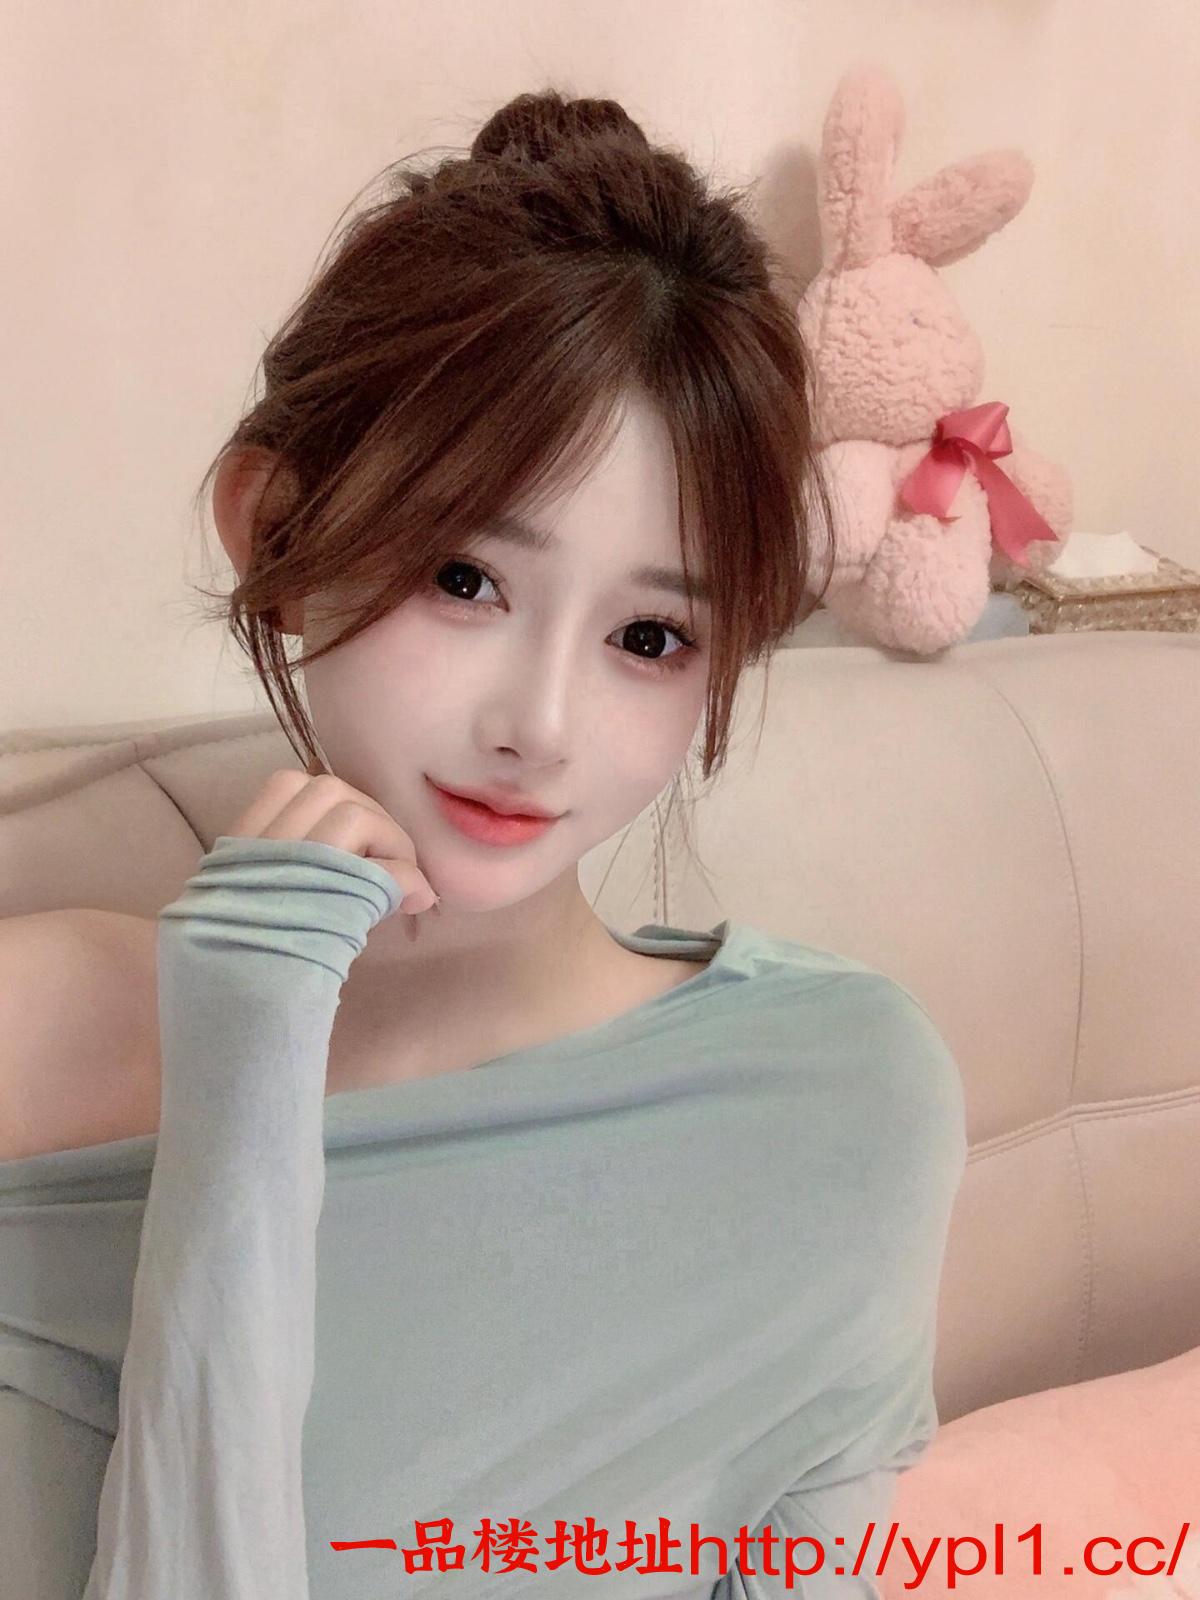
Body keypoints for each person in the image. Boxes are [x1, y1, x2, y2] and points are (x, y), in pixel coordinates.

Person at [0, 89, 967, 1597]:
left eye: (650, 636)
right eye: (465, 579)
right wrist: (246, 1073)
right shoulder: (42, 1040)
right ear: (275, 527)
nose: (542, 726)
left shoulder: (837, 1093)